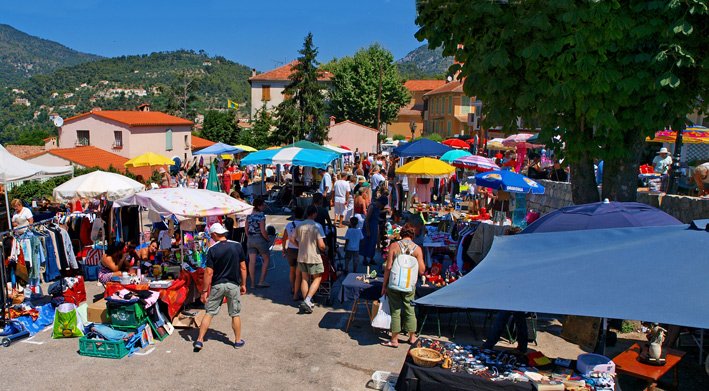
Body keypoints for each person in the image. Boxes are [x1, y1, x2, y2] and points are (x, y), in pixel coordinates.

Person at [194, 223, 247, 351]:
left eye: (212, 235)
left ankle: (200, 340)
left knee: (209, 313)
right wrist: (243, 284)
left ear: (215, 235)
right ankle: (237, 341)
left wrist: (204, 291)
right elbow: (243, 267)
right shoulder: (237, 246)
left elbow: (208, 272)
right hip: (233, 284)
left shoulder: (212, 250)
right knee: (235, 313)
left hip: (218, 285)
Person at [380, 224, 426, 347]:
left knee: (395, 310)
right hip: (409, 285)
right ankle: (412, 337)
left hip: (394, 284)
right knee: (410, 310)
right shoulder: (417, 249)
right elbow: (422, 271)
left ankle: (394, 339)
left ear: (402, 234)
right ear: (413, 235)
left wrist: (384, 285)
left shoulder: (394, 246)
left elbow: (388, 267)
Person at [289, 205, 328, 314]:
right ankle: (308, 299)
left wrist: (299, 245)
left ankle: (306, 300)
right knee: (317, 277)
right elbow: (321, 245)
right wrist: (326, 248)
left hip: (302, 256)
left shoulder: (300, 225)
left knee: (304, 278)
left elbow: (292, 239)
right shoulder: (317, 226)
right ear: (315, 213)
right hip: (313, 256)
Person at [246, 198, 271, 289]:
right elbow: (263, 230)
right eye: (263, 204)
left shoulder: (249, 215)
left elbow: (246, 228)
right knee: (266, 259)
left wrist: (249, 236)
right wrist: (267, 239)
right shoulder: (261, 216)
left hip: (250, 238)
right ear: (259, 206)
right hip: (259, 238)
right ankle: (262, 281)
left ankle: (252, 283)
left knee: (252, 262)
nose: (264, 206)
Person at [282, 206, 305, 300]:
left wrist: (284, 249)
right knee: (299, 272)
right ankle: (297, 289)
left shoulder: (289, 225)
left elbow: (284, 238)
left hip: (291, 249)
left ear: (294, 214)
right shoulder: (304, 225)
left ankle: (292, 287)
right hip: (300, 249)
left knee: (292, 270)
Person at [360, 196, 387, 266]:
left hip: (374, 227)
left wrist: (381, 219)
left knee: (373, 243)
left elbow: (375, 215)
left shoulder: (377, 208)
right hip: (369, 227)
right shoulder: (372, 206)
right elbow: (367, 219)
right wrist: (368, 231)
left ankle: (371, 258)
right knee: (367, 243)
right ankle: (365, 259)